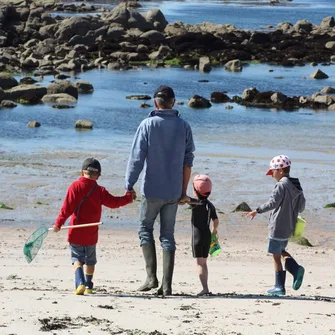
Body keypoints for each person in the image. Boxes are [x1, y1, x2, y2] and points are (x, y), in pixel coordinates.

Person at [125, 85, 195, 296]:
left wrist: (129, 184)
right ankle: (167, 286)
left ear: (156, 103)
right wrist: (183, 191)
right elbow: (188, 161)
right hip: (173, 191)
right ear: (173, 102)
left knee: (145, 229)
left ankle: (151, 278)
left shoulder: (147, 125)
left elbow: (137, 158)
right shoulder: (184, 126)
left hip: (151, 190)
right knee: (168, 236)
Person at [53, 158, 135, 295]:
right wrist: (128, 197)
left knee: (77, 259)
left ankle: (79, 283)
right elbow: (114, 203)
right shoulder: (100, 191)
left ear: (82, 172)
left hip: (76, 231)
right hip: (91, 233)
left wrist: (58, 223)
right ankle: (89, 285)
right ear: (98, 175)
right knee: (90, 261)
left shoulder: (75, 186)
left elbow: (66, 208)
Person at [245, 155, 306, 296]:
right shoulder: (297, 185)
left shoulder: (281, 185)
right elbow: (301, 207)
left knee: (276, 256)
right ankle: (295, 270)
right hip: (290, 226)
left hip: (277, 226)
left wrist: (257, 210)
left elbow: (272, 203)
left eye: (272, 171)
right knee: (280, 250)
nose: (272, 174)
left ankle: (280, 286)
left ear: (280, 170)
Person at [182, 174, 219, 296]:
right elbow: (216, 221)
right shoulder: (210, 205)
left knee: (199, 263)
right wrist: (214, 231)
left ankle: (204, 288)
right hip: (207, 235)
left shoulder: (196, 202)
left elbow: (185, 199)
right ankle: (206, 286)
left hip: (197, 236)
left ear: (195, 190)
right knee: (204, 262)